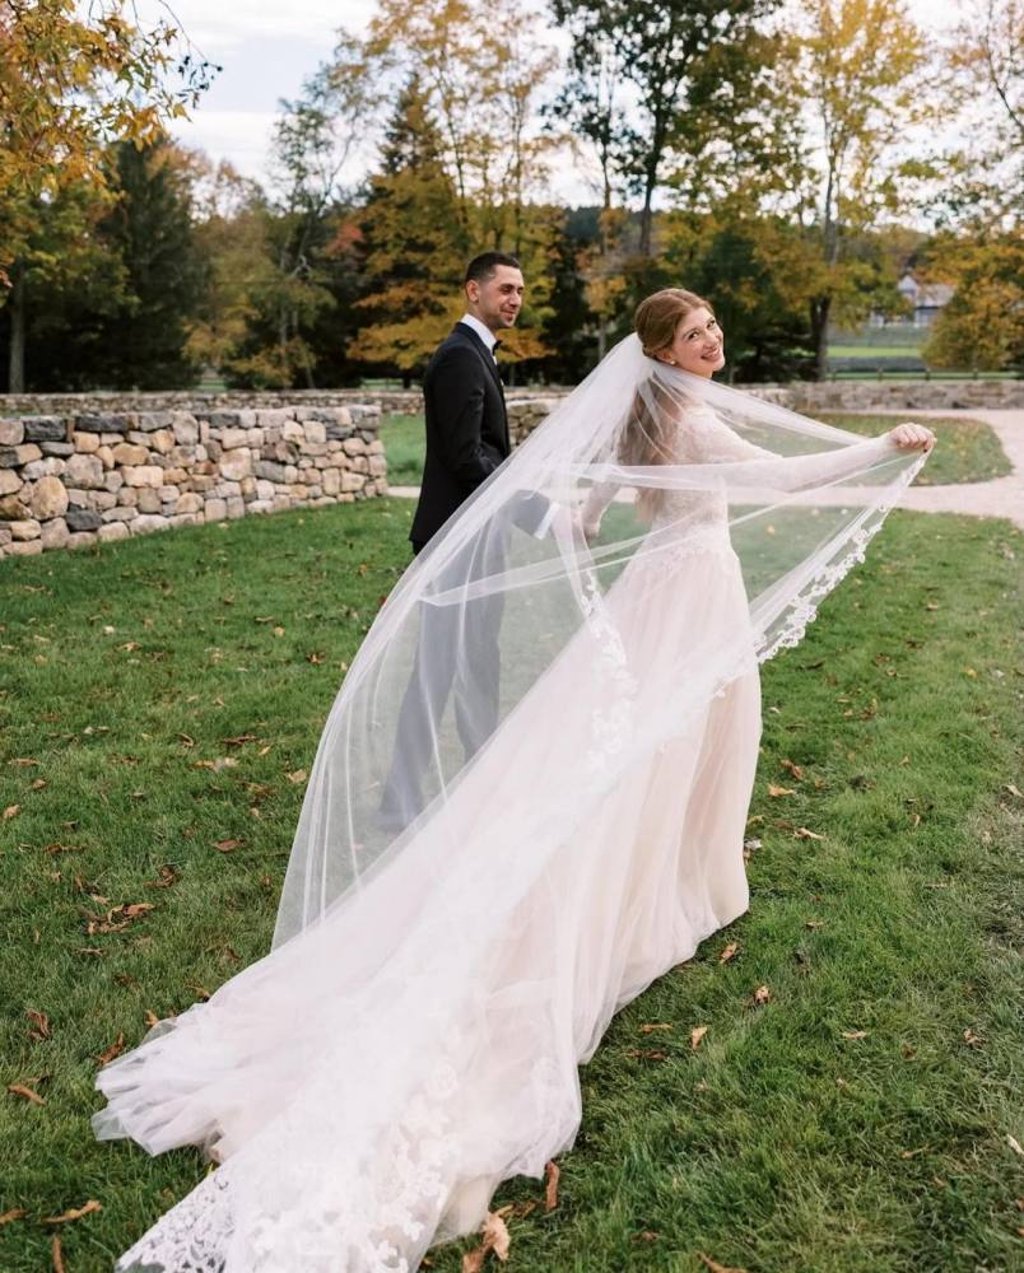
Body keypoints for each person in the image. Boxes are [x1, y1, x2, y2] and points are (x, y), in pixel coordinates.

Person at [93, 289, 933, 1272]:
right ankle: (672, 892)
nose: (713, 338)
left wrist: (584, 526)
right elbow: (784, 477)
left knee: (659, 750)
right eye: (695, 332)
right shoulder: (690, 416)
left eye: (712, 325)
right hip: (686, 596)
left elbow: (598, 505)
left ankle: (684, 883)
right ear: (665, 351)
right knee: (671, 751)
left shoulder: (649, 413)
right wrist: (886, 450)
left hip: (661, 594)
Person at [380, 252, 556, 831]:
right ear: (471, 291)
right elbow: (467, 458)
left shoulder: (476, 354)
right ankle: (404, 800)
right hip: (455, 543)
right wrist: (541, 511)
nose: (515, 299)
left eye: (522, 291)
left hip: (475, 540)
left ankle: (479, 782)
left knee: (478, 662)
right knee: (440, 670)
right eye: (505, 288)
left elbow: (481, 452)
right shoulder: (460, 357)